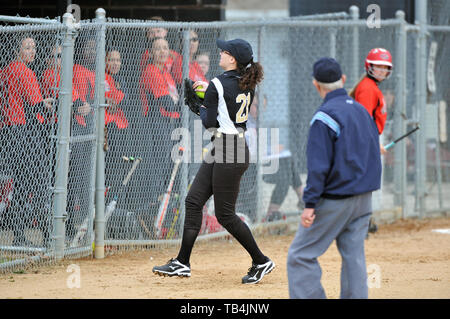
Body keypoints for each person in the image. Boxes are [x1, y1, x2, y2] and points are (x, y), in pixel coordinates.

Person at [153, 38, 274, 284]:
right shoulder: (246, 82)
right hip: (229, 146)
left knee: (225, 214)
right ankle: (182, 263)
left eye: (225, 51)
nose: (221, 53)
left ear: (233, 59)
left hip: (230, 150)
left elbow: (210, 122)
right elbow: (221, 117)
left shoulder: (218, 83)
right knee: (194, 200)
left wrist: (198, 106)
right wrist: (205, 102)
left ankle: (261, 260)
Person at [287, 57, 382, 298]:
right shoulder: (361, 110)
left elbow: (318, 167)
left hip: (336, 198)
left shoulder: (324, 116)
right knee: (354, 255)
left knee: (300, 255)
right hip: (364, 198)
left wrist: (310, 204)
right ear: (343, 80)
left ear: (315, 85)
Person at [1, 36, 54, 246]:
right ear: (17, 51)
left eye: (34, 47)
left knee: (22, 185)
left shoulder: (4, 71)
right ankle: (49, 237)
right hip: (23, 131)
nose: (32, 51)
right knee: (39, 182)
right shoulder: (24, 71)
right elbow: (35, 106)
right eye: (27, 47)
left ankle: (19, 236)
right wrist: (50, 103)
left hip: (7, 132)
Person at [349, 47, 393, 235]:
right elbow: (363, 120)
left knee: (365, 183)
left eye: (386, 67)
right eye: (378, 66)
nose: (382, 71)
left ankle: (362, 221)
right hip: (364, 141)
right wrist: (374, 144)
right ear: (369, 67)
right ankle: (359, 223)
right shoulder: (367, 87)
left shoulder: (372, 86)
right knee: (363, 183)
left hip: (368, 139)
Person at [139, 37, 181, 224]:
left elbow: (176, 102)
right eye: (158, 48)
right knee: (160, 166)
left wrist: (179, 105)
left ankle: (163, 213)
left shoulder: (166, 73)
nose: (163, 51)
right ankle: (151, 210)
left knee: (169, 167)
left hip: (169, 124)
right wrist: (183, 105)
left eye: (166, 48)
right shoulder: (151, 71)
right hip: (157, 123)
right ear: (151, 53)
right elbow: (166, 103)